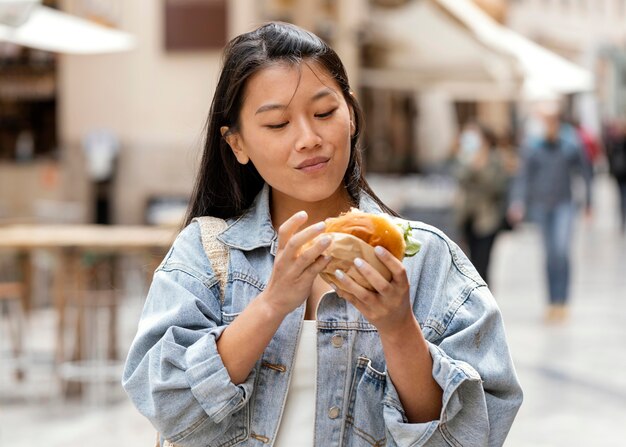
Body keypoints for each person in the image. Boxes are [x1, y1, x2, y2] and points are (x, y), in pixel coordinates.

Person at [122, 22, 522, 447]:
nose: (308, 139)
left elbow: (474, 432)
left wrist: (399, 326)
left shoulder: (427, 259)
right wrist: (272, 304)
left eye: (325, 113)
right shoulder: (204, 254)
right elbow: (166, 406)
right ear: (237, 144)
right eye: (277, 124)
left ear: (350, 114)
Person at [508, 103, 593, 322]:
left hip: (564, 204)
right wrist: (517, 202)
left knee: (561, 251)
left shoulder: (571, 143)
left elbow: (586, 172)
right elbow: (523, 176)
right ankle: (552, 302)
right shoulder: (533, 146)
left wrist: (589, 203)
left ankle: (563, 300)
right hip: (541, 206)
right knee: (549, 254)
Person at [451, 122, 509, 285]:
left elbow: (497, 186)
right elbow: (459, 178)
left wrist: (480, 168)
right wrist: (470, 163)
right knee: (468, 263)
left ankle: (485, 300)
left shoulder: (495, 158)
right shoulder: (464, 157)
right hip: (466, 217)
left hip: (487, 219)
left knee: (482, 263)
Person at [604, 119, 626, 233]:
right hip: (620, 173)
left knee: (622, 196)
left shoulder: (614, 141)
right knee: (622, 195)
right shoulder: (614, 141)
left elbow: (610, 157)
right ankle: (622, 217)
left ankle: (622, 218)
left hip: (619, 172)